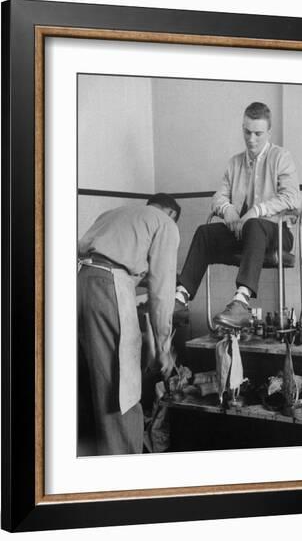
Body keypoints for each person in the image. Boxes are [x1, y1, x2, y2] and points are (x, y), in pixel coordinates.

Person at [174, 102, 301, 329]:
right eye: (247, 132)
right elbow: (218, 198)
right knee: (205, 232)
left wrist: (256, 210)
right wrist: (229, 210)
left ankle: (241, 302)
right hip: (245, 233)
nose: (251, 139)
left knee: (254, 224)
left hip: (277, 233)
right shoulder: (234, 163)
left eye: (258, 134)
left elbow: (293, 198)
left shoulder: (281, 157)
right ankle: (180, 299)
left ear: (268, 133)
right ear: (242, 127)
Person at [77, 193, 181, 455]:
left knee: (91, 382)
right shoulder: (165, 224)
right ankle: (125, 474)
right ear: (170, 213)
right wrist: (164, 345)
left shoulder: (116, 214)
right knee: (120, 389)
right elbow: (162, 287)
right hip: (109, 285)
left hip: (80, 281)